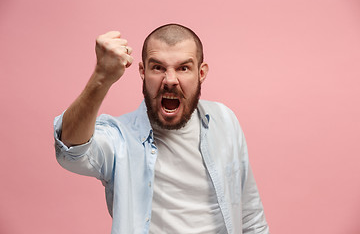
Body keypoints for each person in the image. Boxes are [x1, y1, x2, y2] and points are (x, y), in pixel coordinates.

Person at [54, 23, 269, 234]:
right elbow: (70, 150)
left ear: (201, 73)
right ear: (142, 71)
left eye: (183, 68)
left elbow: (250, 217)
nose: (170, 80)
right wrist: (101, 77)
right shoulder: (119, 138)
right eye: (158, 68)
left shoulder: (224, 120)